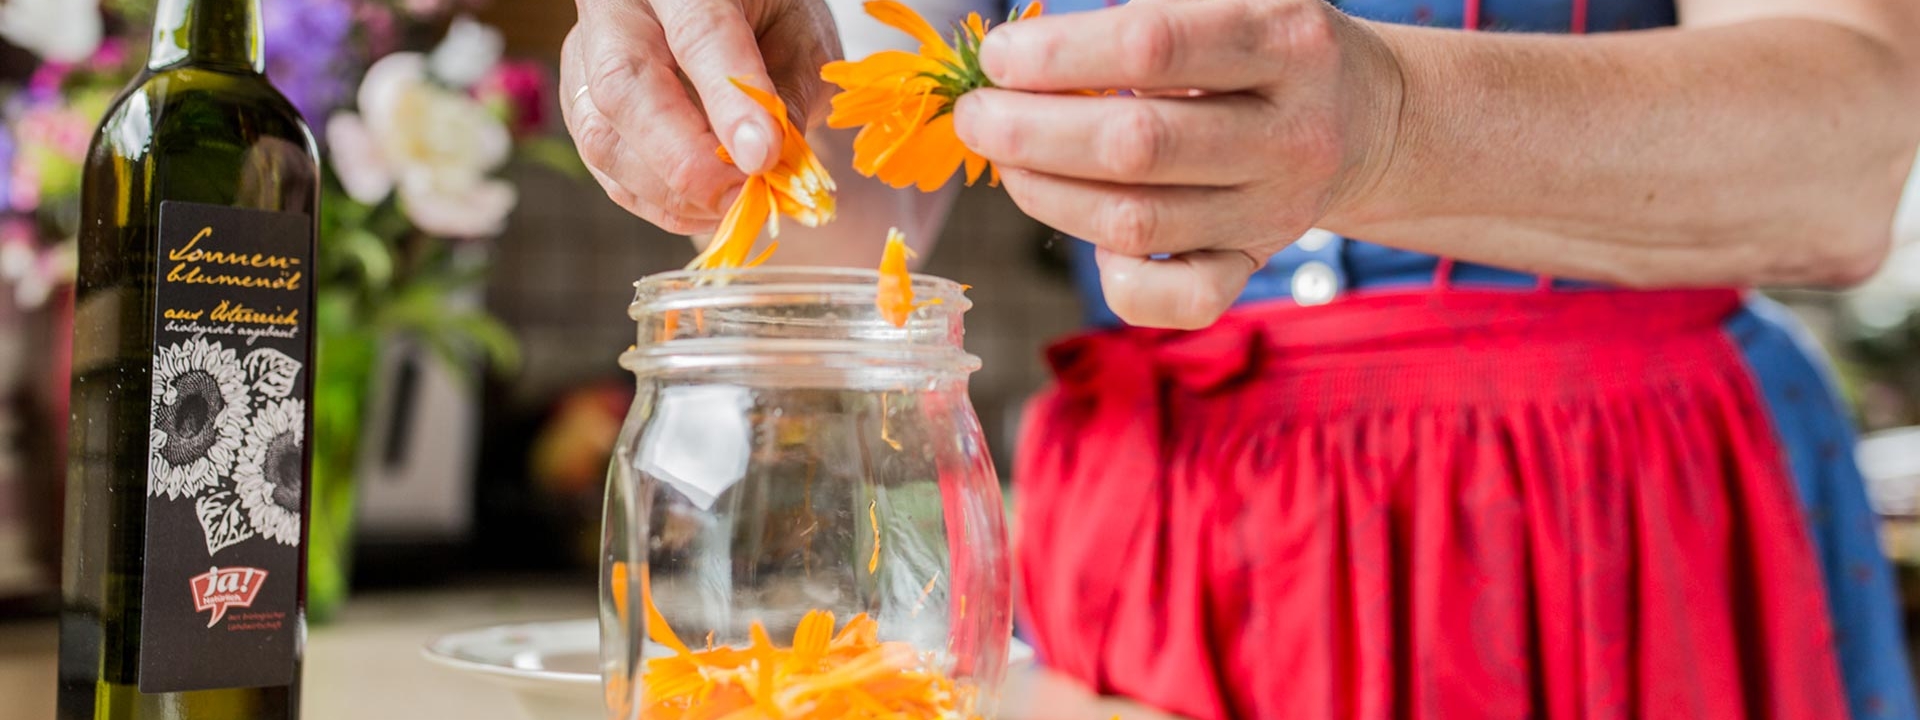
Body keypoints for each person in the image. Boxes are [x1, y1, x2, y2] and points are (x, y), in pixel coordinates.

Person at [559, 0, 1920, 716]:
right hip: (1161, 549)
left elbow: (1848, 162)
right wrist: (709, 93)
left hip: (1598, 524)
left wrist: (1392, 125)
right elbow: (855, 215)